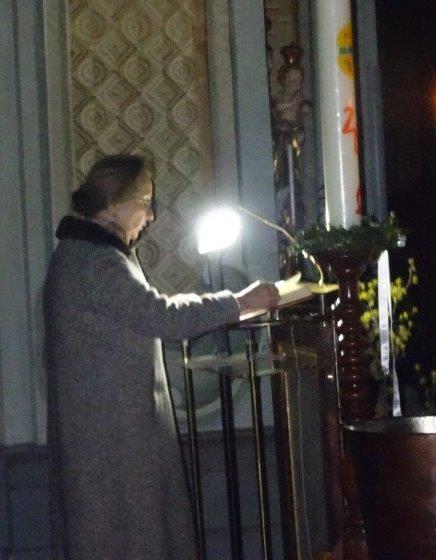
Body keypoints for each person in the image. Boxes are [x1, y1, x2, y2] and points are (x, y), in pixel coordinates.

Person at [43, 154, 279, 560]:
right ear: (113, 204)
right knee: (129, 541)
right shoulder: (96, 261)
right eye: (145, 202)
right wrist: (238, 303)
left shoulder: (87, 253)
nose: (151, 216)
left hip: (106, 437)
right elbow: (161, 316)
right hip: (111, 443)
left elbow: (150, 310)